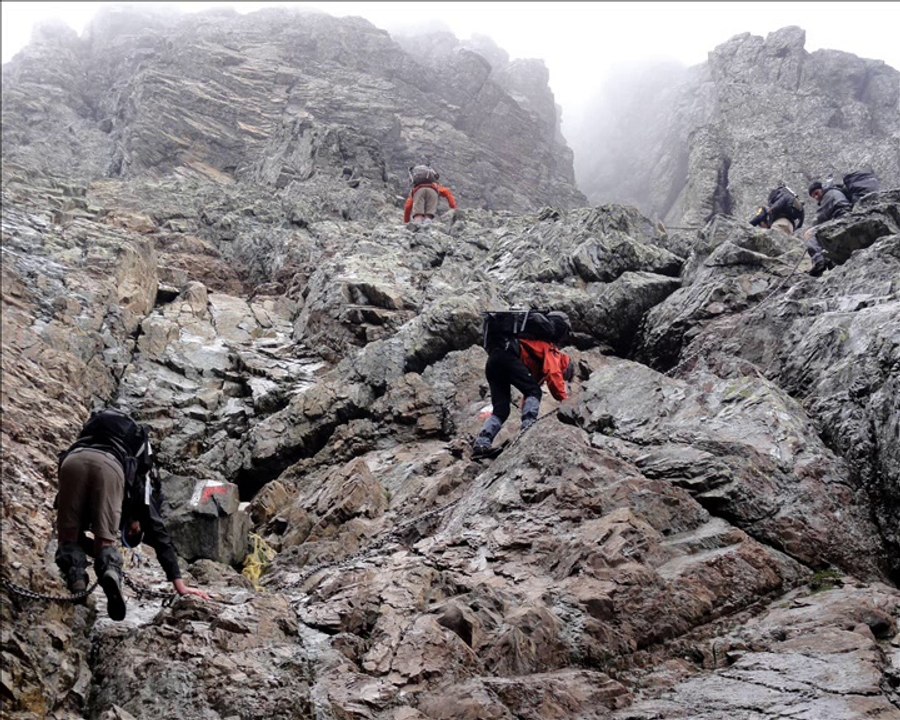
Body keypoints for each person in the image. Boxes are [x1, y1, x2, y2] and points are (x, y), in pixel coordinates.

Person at [54, 408, 209, 620]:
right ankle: (110, 572)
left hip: (72, 460)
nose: (130, 530)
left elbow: (71, 529)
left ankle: (77, 583)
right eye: (133, 533)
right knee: (105, 543)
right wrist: (179, 584)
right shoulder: (142, 482)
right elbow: (158, 531)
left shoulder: (97, 434)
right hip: (109, 467)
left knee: (68, 538)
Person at [472, 310, 574, 457]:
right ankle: (528, 428)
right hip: (508, 357)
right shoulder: (554, 352)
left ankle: (482, 443)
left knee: (501, 410)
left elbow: (528, 394)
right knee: (535, 392)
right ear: (566, 368)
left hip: (494, 360)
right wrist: (564, 400)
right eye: (565, 375)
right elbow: (553, 374)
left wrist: (526, 408)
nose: (563, 377)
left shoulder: (536, 356)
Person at [803, 180, 851, 276]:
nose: (816, 197)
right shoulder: (833, 192)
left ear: (822, 189)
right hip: (842, 217)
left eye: (816, 193)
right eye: (813, 196)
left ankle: (819, 261)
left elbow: (821, 217)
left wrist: (812, 227)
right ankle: (828, 259)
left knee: (809, 234)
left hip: (841, 218)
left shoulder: (828, 195)